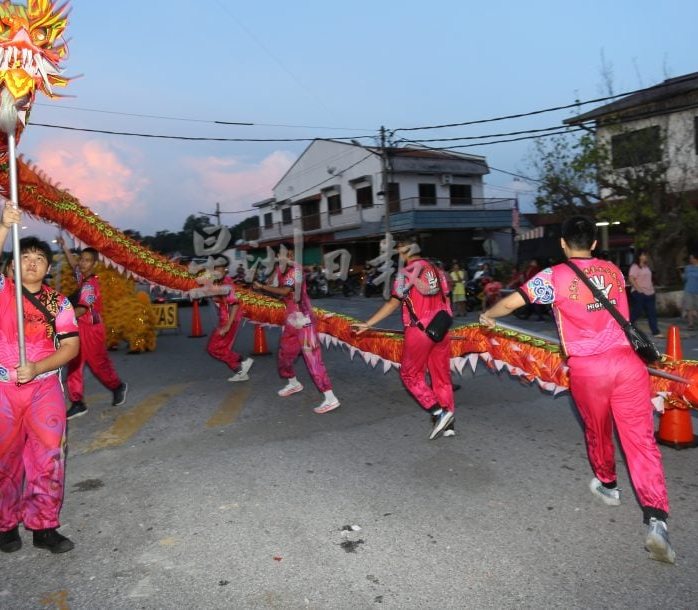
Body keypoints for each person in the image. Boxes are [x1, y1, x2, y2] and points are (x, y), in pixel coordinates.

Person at [478, 215, 675, 564]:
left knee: (598, 430)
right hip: (630, 365)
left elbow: (512, 303)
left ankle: (609, 485)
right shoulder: (614, 271)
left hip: (589, 369)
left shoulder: (554, 276)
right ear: (596, 244)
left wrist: (489, 315)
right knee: (641, 442)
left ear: (564, 244)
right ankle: (657, 519)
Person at [0, 202, 80, 553]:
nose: (32, 263)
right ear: (12, 265)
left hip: (43, 387)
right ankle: (6, 525)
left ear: (48, 268)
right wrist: (3, 225)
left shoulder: (59, 304)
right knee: (2, 459)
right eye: (25, 257)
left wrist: (37, 367)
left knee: (48, 456)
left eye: (39, 259)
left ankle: (44, 526)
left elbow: (71, 348)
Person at [354, 235, 455, 440]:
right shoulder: (439, 271)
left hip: (419, 331)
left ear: (403, 251)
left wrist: (368, 324)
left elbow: (393, 303)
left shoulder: (406, 273)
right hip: (442, 328)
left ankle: (438, 412)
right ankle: (449, 424)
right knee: (441, 377)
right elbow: (445, 295)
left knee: (410, 375)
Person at [251, 242, 339, 413]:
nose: (288, 257)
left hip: (304, 320)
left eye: (290, 254)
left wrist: (261, 287)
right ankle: (293, 383)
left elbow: (285, 291)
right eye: (283, 254)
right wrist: (261, 287)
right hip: (291, 320)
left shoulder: (296, 269)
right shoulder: (279, 269)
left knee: (312, 359)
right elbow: (275, 290)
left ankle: (330, 397)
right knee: (285, 354)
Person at [58, 237, 128, 419]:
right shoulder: (82, 276)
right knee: (74, 364)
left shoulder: (90, 285)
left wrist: (59, 317)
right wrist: (64, 246)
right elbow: (74, 264)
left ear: (94, 264)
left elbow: (81, 309)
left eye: (87, 260)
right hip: (79, 328)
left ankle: (117, 386)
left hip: (92, 330)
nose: (82, 262)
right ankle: (77, 402)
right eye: (82, 259)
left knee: (100, 366)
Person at [200, 257, 253, 382]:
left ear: (224, 269)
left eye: (217, 269)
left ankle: (243, 360)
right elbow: (220, 299)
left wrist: (228, 325)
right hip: (225, 319)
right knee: (220, 348)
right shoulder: (220, 282)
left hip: (230, 320)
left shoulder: (227, 284)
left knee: (213, 348)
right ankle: (240, 371)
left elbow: (235, 304)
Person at [628, 251, 662, 338]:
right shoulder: (635, 267)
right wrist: (638, 290)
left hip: (650, 293)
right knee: (636, 312)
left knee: (652, 313)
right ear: (639, 257)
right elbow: (631, 278)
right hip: (640, 294)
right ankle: (626, 328)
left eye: (646, 255)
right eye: (644, 255)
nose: (646, 256)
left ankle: (655, 332)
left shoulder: (647, 267)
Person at [681, 254, 698, 331]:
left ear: (697, 259)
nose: (690, 260)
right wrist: (682, 275)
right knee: (689, 308)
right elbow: (685, 279)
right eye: (690, 258)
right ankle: (690, 324)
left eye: (692, 258)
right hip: (688, 290)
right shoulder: (688, 267)